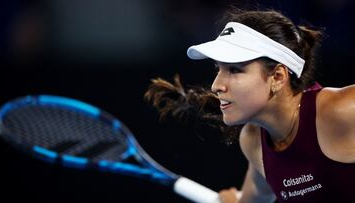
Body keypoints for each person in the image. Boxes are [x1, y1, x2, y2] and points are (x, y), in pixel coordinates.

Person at [145, 8, 355, 203]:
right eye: (218, 69)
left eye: (235, 70)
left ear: (278, 76)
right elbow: (253, 200)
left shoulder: (339, 111)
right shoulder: (253, 141)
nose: (216, 85)